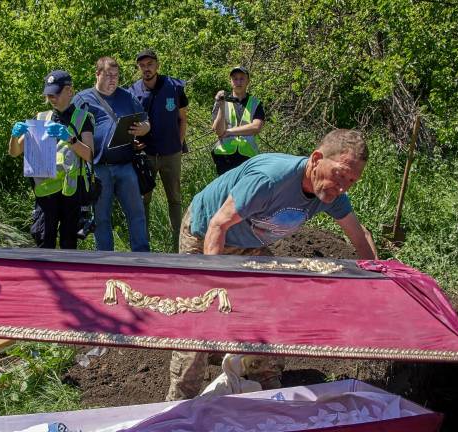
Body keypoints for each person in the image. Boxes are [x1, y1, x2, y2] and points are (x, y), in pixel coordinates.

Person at [167, 129, 378, 401]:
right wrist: (216, 290)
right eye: (339, 174)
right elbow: (217, 225)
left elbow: (360, 235)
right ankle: (178, 403)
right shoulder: (270, 180)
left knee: (274, 304)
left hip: (248, 242)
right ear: (316, 159)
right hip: (204, 234)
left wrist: (375, 284)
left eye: (351, 180)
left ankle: (265, 379)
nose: (343, 186)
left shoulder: (333, 194)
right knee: (199, 319)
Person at [73, 57, 151, 252]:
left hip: (126, 165)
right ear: (97, 74)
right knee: (101, 217)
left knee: (137, 213)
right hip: (98, 168)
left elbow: (146, 123)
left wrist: (142, 129)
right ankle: (105, 259)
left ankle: (142, 257)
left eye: (116, 76)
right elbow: (71, 128)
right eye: (108, 75)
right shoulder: (83, 99)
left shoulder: (127, 96)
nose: (113, 80)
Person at [9, 70, 94, 249]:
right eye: (48, 94)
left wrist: (70, 138)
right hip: (45, 191)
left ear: (69, 91)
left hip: (71, 191)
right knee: (43, 241)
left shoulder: (82, 118)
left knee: (68, 243)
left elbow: (90, 155)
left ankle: (68, 276)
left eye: (55, 93)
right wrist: (14, 136)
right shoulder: (40, 118)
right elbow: (15, 152)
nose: (51, 97)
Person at [129, 49, 188, 251]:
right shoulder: (133, 92)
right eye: (142, 65)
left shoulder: (174, 87)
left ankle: (177, 245)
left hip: (171, 153)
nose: (147, 68)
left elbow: (183, 119)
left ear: (157, 64)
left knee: (175, 199)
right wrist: (133, 142)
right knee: (143, 199)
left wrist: (179, 145)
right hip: (146, 155)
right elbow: (129, 124)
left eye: (150, 64)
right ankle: (143, 247)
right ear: (139, 68)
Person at [211, 66, 266, 176]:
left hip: (248, 157)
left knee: (244, 191)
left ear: (248, 81)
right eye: (235, 79)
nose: (238, 82)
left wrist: (230, 131)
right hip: (224, 156)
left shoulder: (255, 102)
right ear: (231, 81)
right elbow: (219, 131)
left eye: (242, 78)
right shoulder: (221, 101)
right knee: (226, 192)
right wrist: (221, 106)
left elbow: (256, 127)